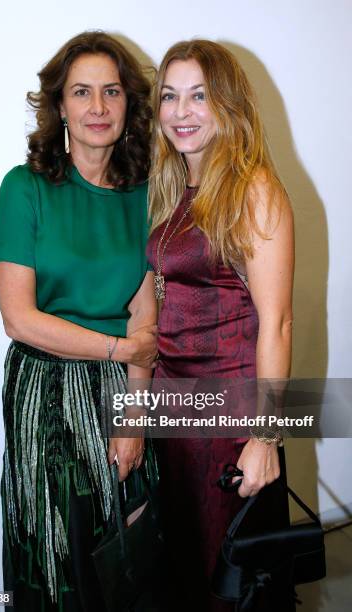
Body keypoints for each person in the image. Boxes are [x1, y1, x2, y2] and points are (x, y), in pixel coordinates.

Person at [0, 31, 158, 612]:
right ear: (59, 105)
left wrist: (134, 417)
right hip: (45, 391)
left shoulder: (143, 195)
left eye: (112, 92)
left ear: (128, 104)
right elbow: (19, 318)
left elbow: (145, 319)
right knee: (56, 552)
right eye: (82, 92)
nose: (98, 108)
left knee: (123, 544)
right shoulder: (24, 187)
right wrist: (118, 352)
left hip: (119, 389)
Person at [147, 40, 295, 611]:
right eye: (170, 96)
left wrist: (265, 437)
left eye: (199, 96)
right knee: (186, 571)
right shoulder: (177, 191)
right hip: (175, 415)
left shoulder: (253, 188)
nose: (181, 112)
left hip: (230, 421)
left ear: (227, 103)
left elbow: (276, 324)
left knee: (232, 584)